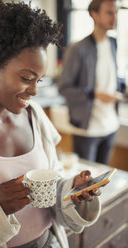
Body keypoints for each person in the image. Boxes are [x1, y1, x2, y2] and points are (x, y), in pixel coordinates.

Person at [0, 1, 101, 247]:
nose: (35, 91)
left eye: (40, 80)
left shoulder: (35, 116)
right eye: (26, 78)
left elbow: (50, 186)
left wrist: (72, 191)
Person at [58, 0, 125, 165]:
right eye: (109, 12)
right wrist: (95, 94)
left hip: (111, 125)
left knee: (103, 178)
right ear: (94, 15)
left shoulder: (113, 43)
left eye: (116, 12)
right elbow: (64, 88)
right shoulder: (77, 49)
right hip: (87, 129)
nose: (114, 17)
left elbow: (112, 78)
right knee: (87, 183)